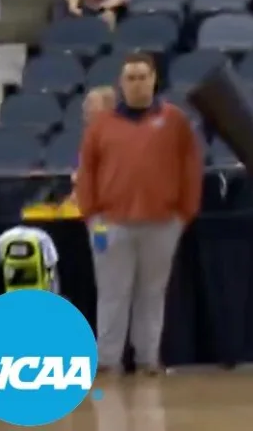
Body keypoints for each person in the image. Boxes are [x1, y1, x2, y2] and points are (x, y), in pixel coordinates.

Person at [77, 52, 202, 376]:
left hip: (162, 224)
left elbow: (190, 167)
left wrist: (183, 214)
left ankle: (148, 359)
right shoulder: (101, 125)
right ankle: (108, 361)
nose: (136, 83)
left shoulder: (174, 120)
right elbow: (86, 171)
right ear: (121, 83)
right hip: (110, 225)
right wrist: (92, 216)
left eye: (142, 76)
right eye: (130, 78)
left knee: (152, 293)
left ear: (154, 79)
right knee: (112, 293)